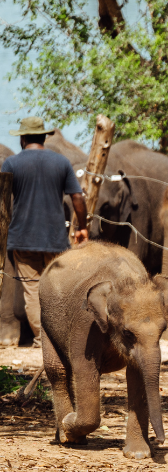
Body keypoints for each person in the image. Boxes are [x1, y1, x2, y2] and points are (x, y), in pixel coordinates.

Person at [1, 117, 89, 345]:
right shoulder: (61, 162)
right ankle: (61, 341)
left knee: (32, 293)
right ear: (43, 137)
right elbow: (77, 197)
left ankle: (43, 341)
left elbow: (2, 202)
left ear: (22, 138)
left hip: (22, 239)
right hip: (56, 240)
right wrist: (83, 227)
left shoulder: (11, 164)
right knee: (58, 292)